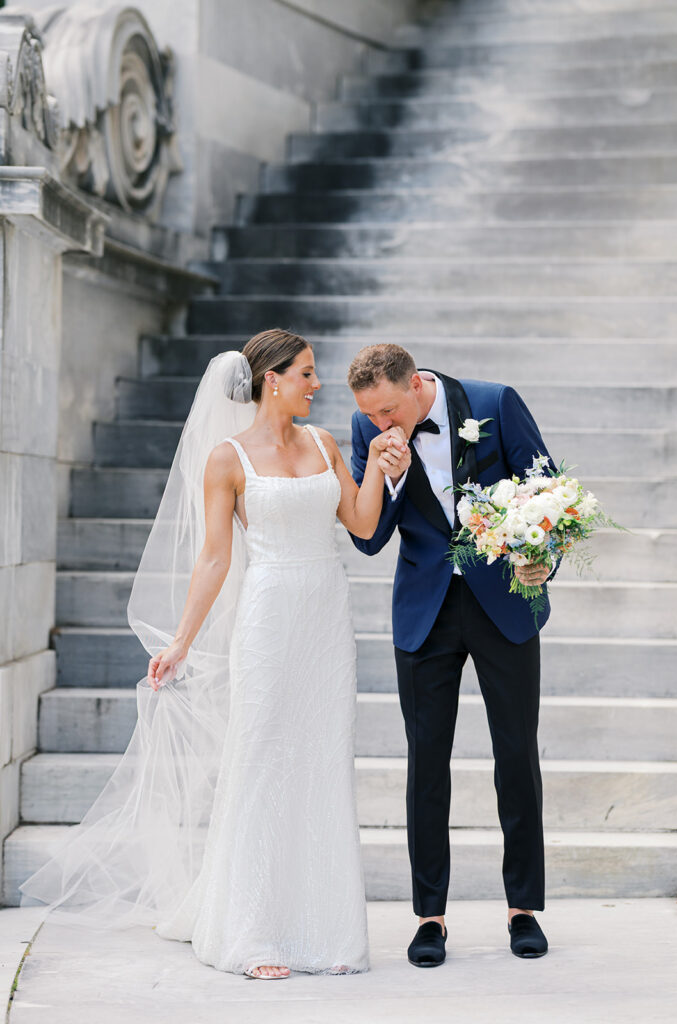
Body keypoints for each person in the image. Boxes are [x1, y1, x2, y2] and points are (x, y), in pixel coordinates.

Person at [18, 329, 409, 981]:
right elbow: (214, 557)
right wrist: (179, 641)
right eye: (307, 373)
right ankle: (252, 934)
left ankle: (327, 932)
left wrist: (382, 468)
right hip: (267, 617)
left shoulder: (325, 444)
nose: (317, 384)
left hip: (324, 619)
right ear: (271, 379)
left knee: (320, 760)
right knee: (260, 761)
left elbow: (363, 525)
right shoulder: (226, 460)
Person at [347, 343, 559, 965]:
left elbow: (550, 496)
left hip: (503, 601)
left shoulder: (495, 404)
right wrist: (387, 476)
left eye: (389, 410)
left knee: (517, 755)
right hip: (425, 612)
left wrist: (544, 561)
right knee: (426, 764)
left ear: (416, 385)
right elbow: (370, 540)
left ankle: (524, 909)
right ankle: (428, 917)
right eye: (370, 415)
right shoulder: (370, 428)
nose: (380, 424)